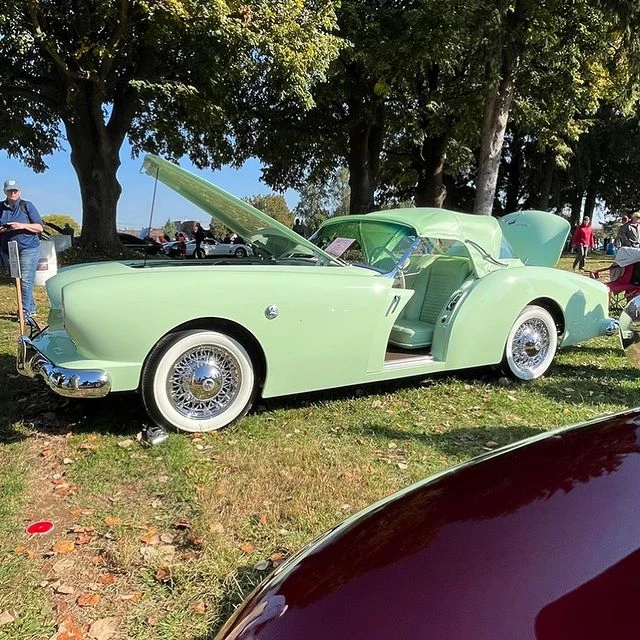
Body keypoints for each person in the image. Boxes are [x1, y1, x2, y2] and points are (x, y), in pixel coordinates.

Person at [0, 179, 44, 333]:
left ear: (19, 191)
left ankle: (26, 313)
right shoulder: (0, 207)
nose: (13, 193)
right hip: (9, 249)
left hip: (28, 248)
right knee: (16, 279)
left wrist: (22, 225)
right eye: (10, 190)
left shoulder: (27, 206)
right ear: (5, 191)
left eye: (15, 190)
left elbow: (39, 227)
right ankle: (30, 308)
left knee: (25, 280)